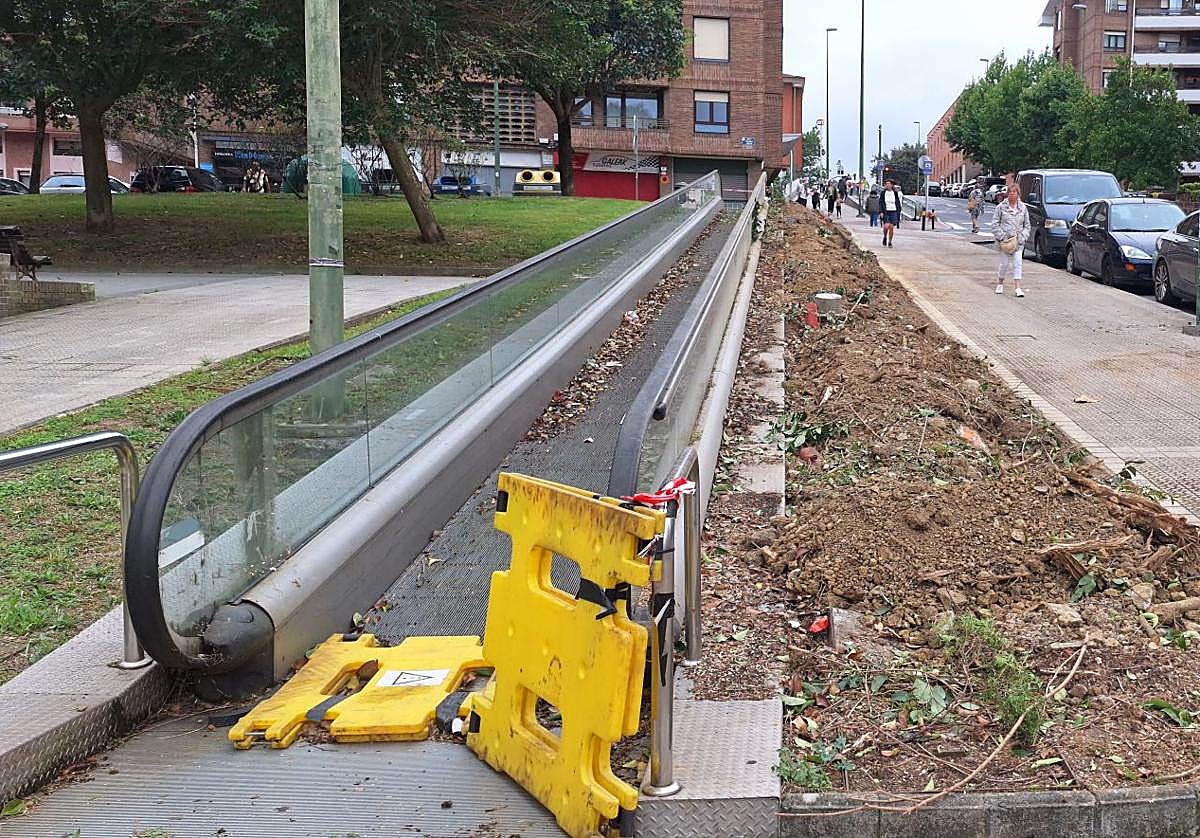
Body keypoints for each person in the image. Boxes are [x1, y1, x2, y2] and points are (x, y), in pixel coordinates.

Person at [991, 176, 1031, 297]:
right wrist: (1002, 237)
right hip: (1005, 242)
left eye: (1015, 192)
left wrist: (1022, 237)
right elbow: (995, 224)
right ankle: (1000, 283)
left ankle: (1018, 287)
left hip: (1018, 242)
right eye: (1010, 192)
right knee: (1004, 264)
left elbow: (1027, 225)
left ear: (1018, 194)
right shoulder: (1001, 208)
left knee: (1018, 263)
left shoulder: (1023, 208)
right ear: (1007, 194)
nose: (1012, 195)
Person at [879, 178, 902, 247]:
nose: (887, 185)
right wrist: (881, 212)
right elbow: (880, 202)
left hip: (893, 211)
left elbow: (897, 202)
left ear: (892, 185)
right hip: (886, 211)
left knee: (891, 227)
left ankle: (890, 241)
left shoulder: (895, 193)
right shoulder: (883, 193)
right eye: (886, 184)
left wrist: (898, 211)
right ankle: (885, 237)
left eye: (888, 184)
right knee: (886, 226)